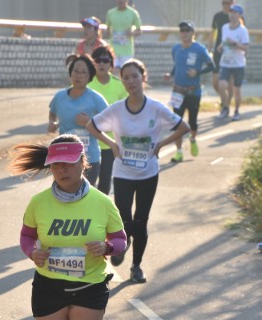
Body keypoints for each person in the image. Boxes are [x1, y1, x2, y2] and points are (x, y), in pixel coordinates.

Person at [10, 134, 126, 320]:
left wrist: (108, 248)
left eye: (69, 163)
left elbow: (120, 239)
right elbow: (27, 236)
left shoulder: (102, 203)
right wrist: (32, 252)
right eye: (56, 164)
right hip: (49, 286)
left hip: (90, 286)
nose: (62, 169)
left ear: (83, 162)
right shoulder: (39, 203)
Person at [82, 59, 190, 283]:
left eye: (135, 76)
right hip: (123, 173)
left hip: (148, 174)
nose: (131, 81)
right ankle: (124, 241)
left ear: (144, 78)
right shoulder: (117, 109)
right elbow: (91, 125)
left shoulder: (155, 108)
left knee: (141, 222)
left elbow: (184, 127)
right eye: (126, 78)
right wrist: (112, 144)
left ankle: (136, 267)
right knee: (123, 220)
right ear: (122, 82)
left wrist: (160, 144)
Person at [48, 54, 109, 186]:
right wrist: (52, 122)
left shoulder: (96, 98)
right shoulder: (60, 96)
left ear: (89, 77)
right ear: (71, 73)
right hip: (63, 157)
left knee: (85, 194)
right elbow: (52, 112)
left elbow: (109, 124)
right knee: (64, 193)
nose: (79, 75)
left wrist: (89, 122)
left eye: (83, 72)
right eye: (76, 71)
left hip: (89, 157)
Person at [165, 21, 214, 163]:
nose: (184, 33)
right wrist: (170, 74)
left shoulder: (199, 49)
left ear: (193, 33)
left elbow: (212, 66)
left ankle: (192, 139)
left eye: (187, 30)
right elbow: (177, 65)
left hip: (193, 92)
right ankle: (179, 152)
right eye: (182, 30)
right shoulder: (176, 48)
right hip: (177, 91)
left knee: (192, 122)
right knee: (176, 122)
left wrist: (197, 72)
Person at [88, 45, 128, 194]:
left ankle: (101, 207)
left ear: (111, 63)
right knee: (87, 182)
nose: (102, 64)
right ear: (93, 63)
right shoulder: (87, 83)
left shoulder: (119, 85)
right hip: (89, 143)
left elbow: (126, 112)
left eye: (105, 60)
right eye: (98, 60)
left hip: (109, 143)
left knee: (105, 182)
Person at [217, 4, 250, 121]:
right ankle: (225, 108)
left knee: (237, 90)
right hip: (225, 62)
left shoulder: (243, 30)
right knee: (222, 86)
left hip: (238, 64)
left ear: (239, 15)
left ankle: (236, 111)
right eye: (231, 12)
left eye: (235, 13)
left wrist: (235, 43)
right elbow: (224, 41)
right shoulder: (225, 27)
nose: (232, 15)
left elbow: (246, 48)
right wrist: (220, 47)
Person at [209, 0, 234, 110]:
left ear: (233, 3)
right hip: (218, 52)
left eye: (228, 3)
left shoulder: (237, 17)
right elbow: (212, 33)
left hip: (231, 53)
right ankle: (225, 100)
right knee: (215, 82)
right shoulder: (217, 16)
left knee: (230, 82)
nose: (225, 5)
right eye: (223, 3)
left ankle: (226, 106)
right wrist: (209, 49)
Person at [105, 0, 142, 74]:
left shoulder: (133, 13)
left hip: (126, 51)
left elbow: (139, 30)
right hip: (113, 50)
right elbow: (108, 30)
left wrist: (131, 33)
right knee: (113, 73)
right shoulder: (110, 13)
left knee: (126, 73)